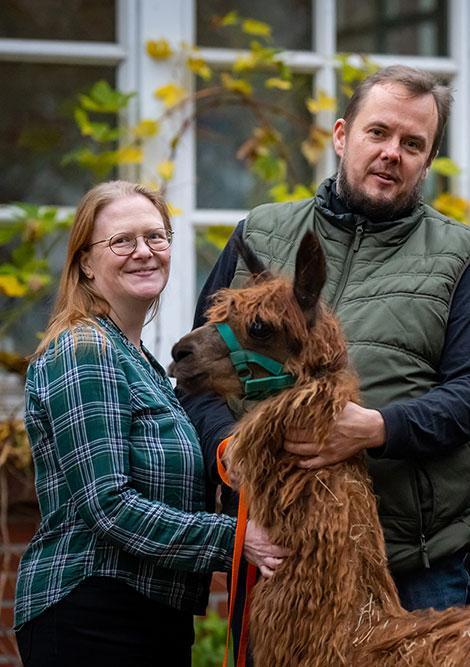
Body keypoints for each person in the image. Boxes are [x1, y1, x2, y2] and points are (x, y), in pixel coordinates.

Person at [179, 65, 470, 614]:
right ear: (341, 136)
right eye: (378, 132)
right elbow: (195, 374)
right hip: (279, 550)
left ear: (427, 161)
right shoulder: (261, 233)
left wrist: (378, 429)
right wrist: (227, 448)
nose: (391, 152)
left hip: (408, 564)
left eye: (413, 143)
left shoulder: (463, 256)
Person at [14, 181, 282, 666]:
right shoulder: (83, 351)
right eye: (122, 241)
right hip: (91, 612)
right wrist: (238, 540)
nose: (144, 252)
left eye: (156, 238)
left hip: (150, 616)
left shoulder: (142, 364)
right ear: (86, 264)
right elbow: (109, 506)